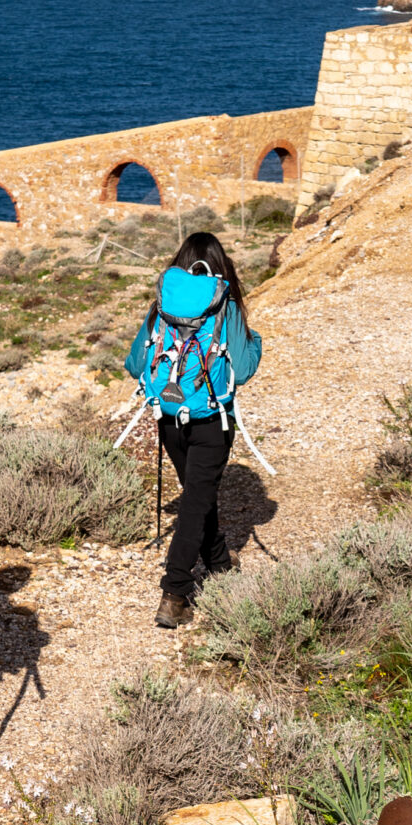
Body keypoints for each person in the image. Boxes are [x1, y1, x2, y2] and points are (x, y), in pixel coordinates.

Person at [128, 231, 261, 630]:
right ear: (222, 268)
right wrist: (255, 342)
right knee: (195, 503)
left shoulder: (162, 307)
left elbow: (135, 363)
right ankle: (175, 593)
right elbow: (246, 368)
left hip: (168, 419)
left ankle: (219, 564)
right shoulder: (226, 308)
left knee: (197, 498)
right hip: (211, 422)